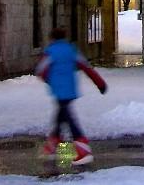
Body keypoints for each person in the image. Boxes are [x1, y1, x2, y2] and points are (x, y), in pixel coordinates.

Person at [35, 27, 107, 166]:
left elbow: (41, 70)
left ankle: (82, 147)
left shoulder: (50, 52)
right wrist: (100, 84)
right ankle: (54, 143)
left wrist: (51, 81)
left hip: (58, 89)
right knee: (61, 114)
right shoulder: (71, 50)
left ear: (52, 38)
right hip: (70, 88)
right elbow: (87, 68)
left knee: (66, 116)